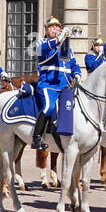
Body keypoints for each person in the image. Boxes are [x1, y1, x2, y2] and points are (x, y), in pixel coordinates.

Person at [32, 17, 73, 149]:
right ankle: (36, 138)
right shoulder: (41, 42)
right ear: (46, 29)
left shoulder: (64, 46)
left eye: (57, 26)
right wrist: (57, 40)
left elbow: (73, 63)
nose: (55, 29)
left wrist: (77, 75)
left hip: (64, 84)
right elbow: (42, 50)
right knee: (49, 106)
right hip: (48, 84)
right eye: (52, 26)